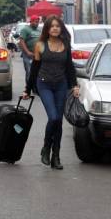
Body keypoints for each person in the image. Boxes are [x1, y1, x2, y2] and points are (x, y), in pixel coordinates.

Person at [22, 15, 80, 170]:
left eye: (58, 26)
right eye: (52, 26)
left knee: (59, 122)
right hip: (44, 84)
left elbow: (69, 67)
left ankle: (56, 157)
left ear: (61, 28)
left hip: (61, 85)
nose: (55, 28)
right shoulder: (40, 45)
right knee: (53, 117)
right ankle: (46, 148)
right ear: (47, 29)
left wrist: (74, 85)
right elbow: (34, 69)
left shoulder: (65, 44)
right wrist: (27, 89)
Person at [19, 15, 41, 84]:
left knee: (37, 71)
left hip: (37, 54)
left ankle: (35, 88)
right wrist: (27, 52)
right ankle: (28, 89)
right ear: (30, 21)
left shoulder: (39, 30)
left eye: (38, 22)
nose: (37, 23)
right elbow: (21, 41)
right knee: (29, 71)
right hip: (28, 55)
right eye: (35, 22)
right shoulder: (25, 29)